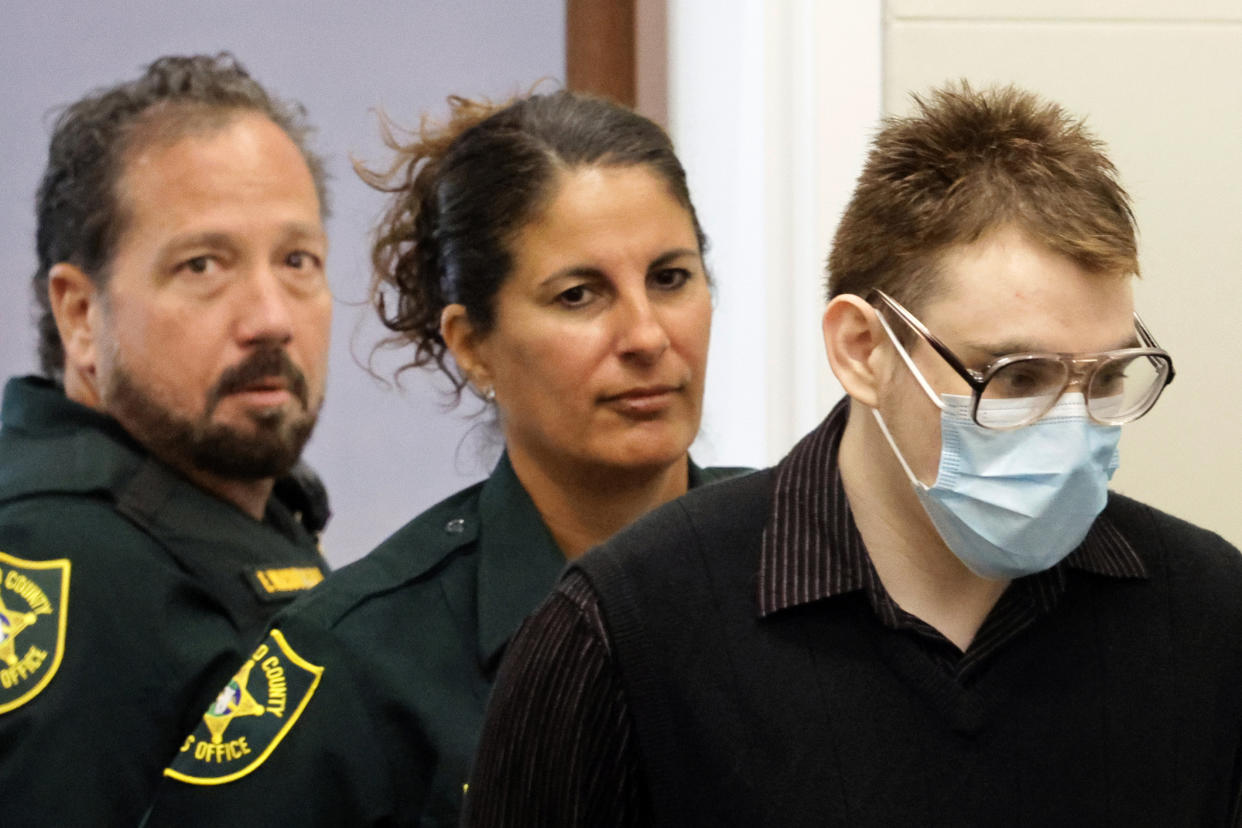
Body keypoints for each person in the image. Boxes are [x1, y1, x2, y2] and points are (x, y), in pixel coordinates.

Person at [462, 82, 1242, 826]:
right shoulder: (624, 631)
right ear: (863, 349)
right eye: (1017, 377)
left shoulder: (1204, 614)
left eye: (1104, 378)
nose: (1070, 430)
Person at [143, 89, 740, 827]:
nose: (647, 335)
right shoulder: (359, 658)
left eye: (671, 279)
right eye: (580, 295)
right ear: (471, 344)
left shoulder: (802, 561)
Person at [0, 54, 333, 826]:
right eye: (204, 265)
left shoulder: (231, 506)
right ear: (81, 315)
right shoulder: (67, 561)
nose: (271, 316)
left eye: (296, 261)